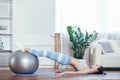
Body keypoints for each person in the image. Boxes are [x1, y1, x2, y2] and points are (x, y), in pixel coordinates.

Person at [22, 47, 105, 76]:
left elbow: (76, 73)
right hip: (65, 59)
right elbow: (75, 69)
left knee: (46, 53)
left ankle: (28, 50)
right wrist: (63, 70)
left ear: (96, 70)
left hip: (65, 59)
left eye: (97, 65)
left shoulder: (87, 70)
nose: (95, 64)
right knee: (46, 53)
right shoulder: (87, 69)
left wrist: (64, 73)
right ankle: (29, 50)